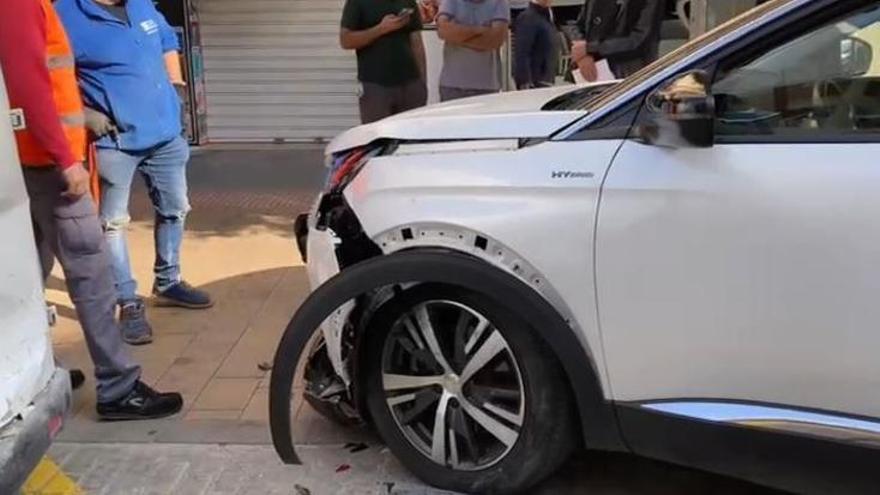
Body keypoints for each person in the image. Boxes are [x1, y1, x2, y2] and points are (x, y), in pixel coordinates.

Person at [0, 0, 183, 420]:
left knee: (28, 271)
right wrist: (65, 159)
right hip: (47, 165)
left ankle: (33, 370)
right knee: (91, 271)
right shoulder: (20, 4)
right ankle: (118, 388)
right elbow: (28, 86)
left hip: (31, 161)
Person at [55, 0, 213, 346]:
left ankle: (168, 281)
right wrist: (84, 114)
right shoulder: (65, 14)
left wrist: (176, 87)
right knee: (113, 224)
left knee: (176, 209)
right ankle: (127, 301)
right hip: (115, 141)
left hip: (165, 135)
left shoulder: (141, 4)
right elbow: (50, 78)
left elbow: (167, 42)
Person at [340, 0, 428, 124]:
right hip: (375, 85)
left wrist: (422, 82)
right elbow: (346, 40)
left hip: (411, 84)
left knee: (411, 132)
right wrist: (381, 29)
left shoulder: (408, 1)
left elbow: (416, 41)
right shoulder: (357, 2)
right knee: (376, 133)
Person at [437, 0, 511, 102]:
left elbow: (496, 40)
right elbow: (442, 31)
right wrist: (481, 31)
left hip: (487, 86)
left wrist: (457, 36)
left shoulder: (499, 2)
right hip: (451, 85)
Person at [570, 0, 664, 81]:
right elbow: (579, 26)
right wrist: (583, 54)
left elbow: (640, 41)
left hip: (633, 74)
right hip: (594, 72)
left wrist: (589, 49)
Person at [513, 0, 559, 89]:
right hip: (535, 82)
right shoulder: (528, 18)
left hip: (546, 81)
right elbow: (522, 52)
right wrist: (525, 82)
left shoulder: (547, 16)